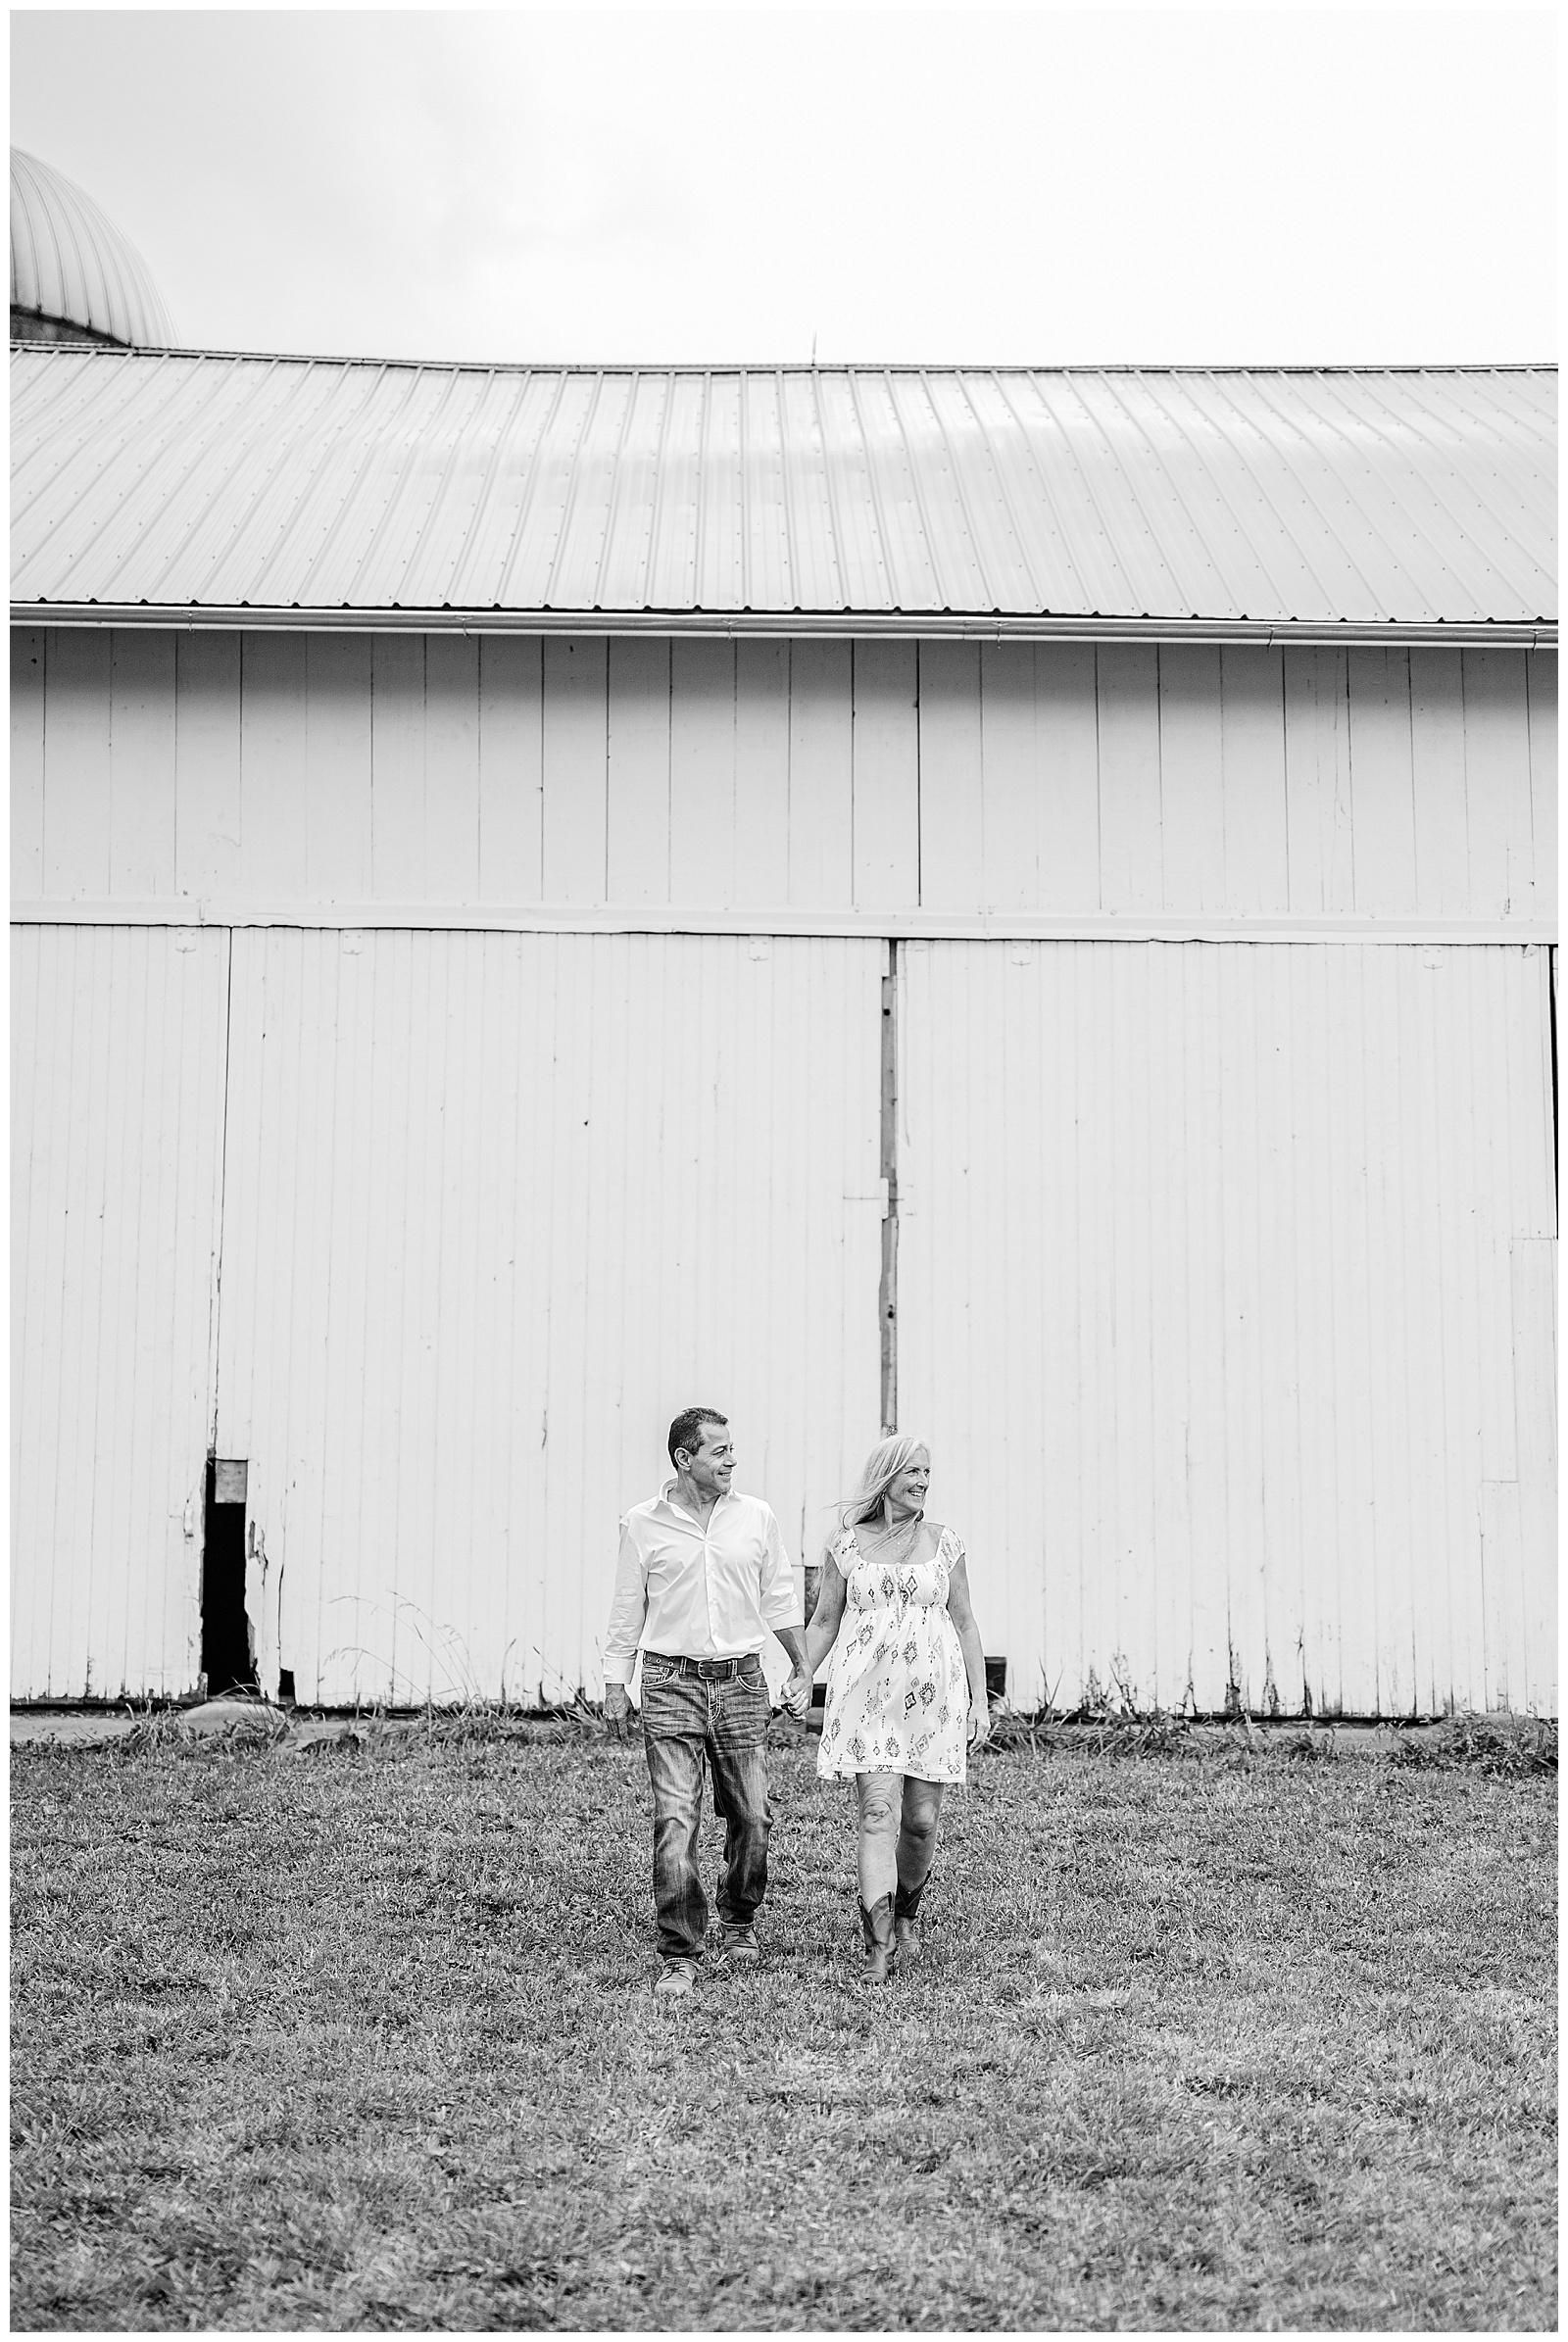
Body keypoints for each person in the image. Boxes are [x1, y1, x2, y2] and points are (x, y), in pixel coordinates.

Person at [604, 1407, 812, 2000]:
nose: (731, 1460)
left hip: (743, 1682)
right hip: (669, 1683)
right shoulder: (642, 1524)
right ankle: (680, 1949)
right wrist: (616, 1682)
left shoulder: (756, 1517)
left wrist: (800, 1665)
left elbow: (778, 1596)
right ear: (683, 1459)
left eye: (731, 1449)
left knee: (753, 1813)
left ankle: (739, 1915)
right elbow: (627, 1608)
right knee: (676, 1818)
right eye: (719, 1451)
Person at [800, 1434, 990, 1981]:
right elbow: (825, 1622)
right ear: (885, 1477)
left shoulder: (945, 1542)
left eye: (927, 1473)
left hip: (934, 1703)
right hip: (866, 1699)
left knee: (921, 1822)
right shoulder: (846, 1545)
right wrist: (801, 1673)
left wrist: (980, 1700)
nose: (923, 1482)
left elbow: (966, 1622)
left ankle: (906, 1911)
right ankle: (879, 1943)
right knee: (877, 1813)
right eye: (912, 1472)